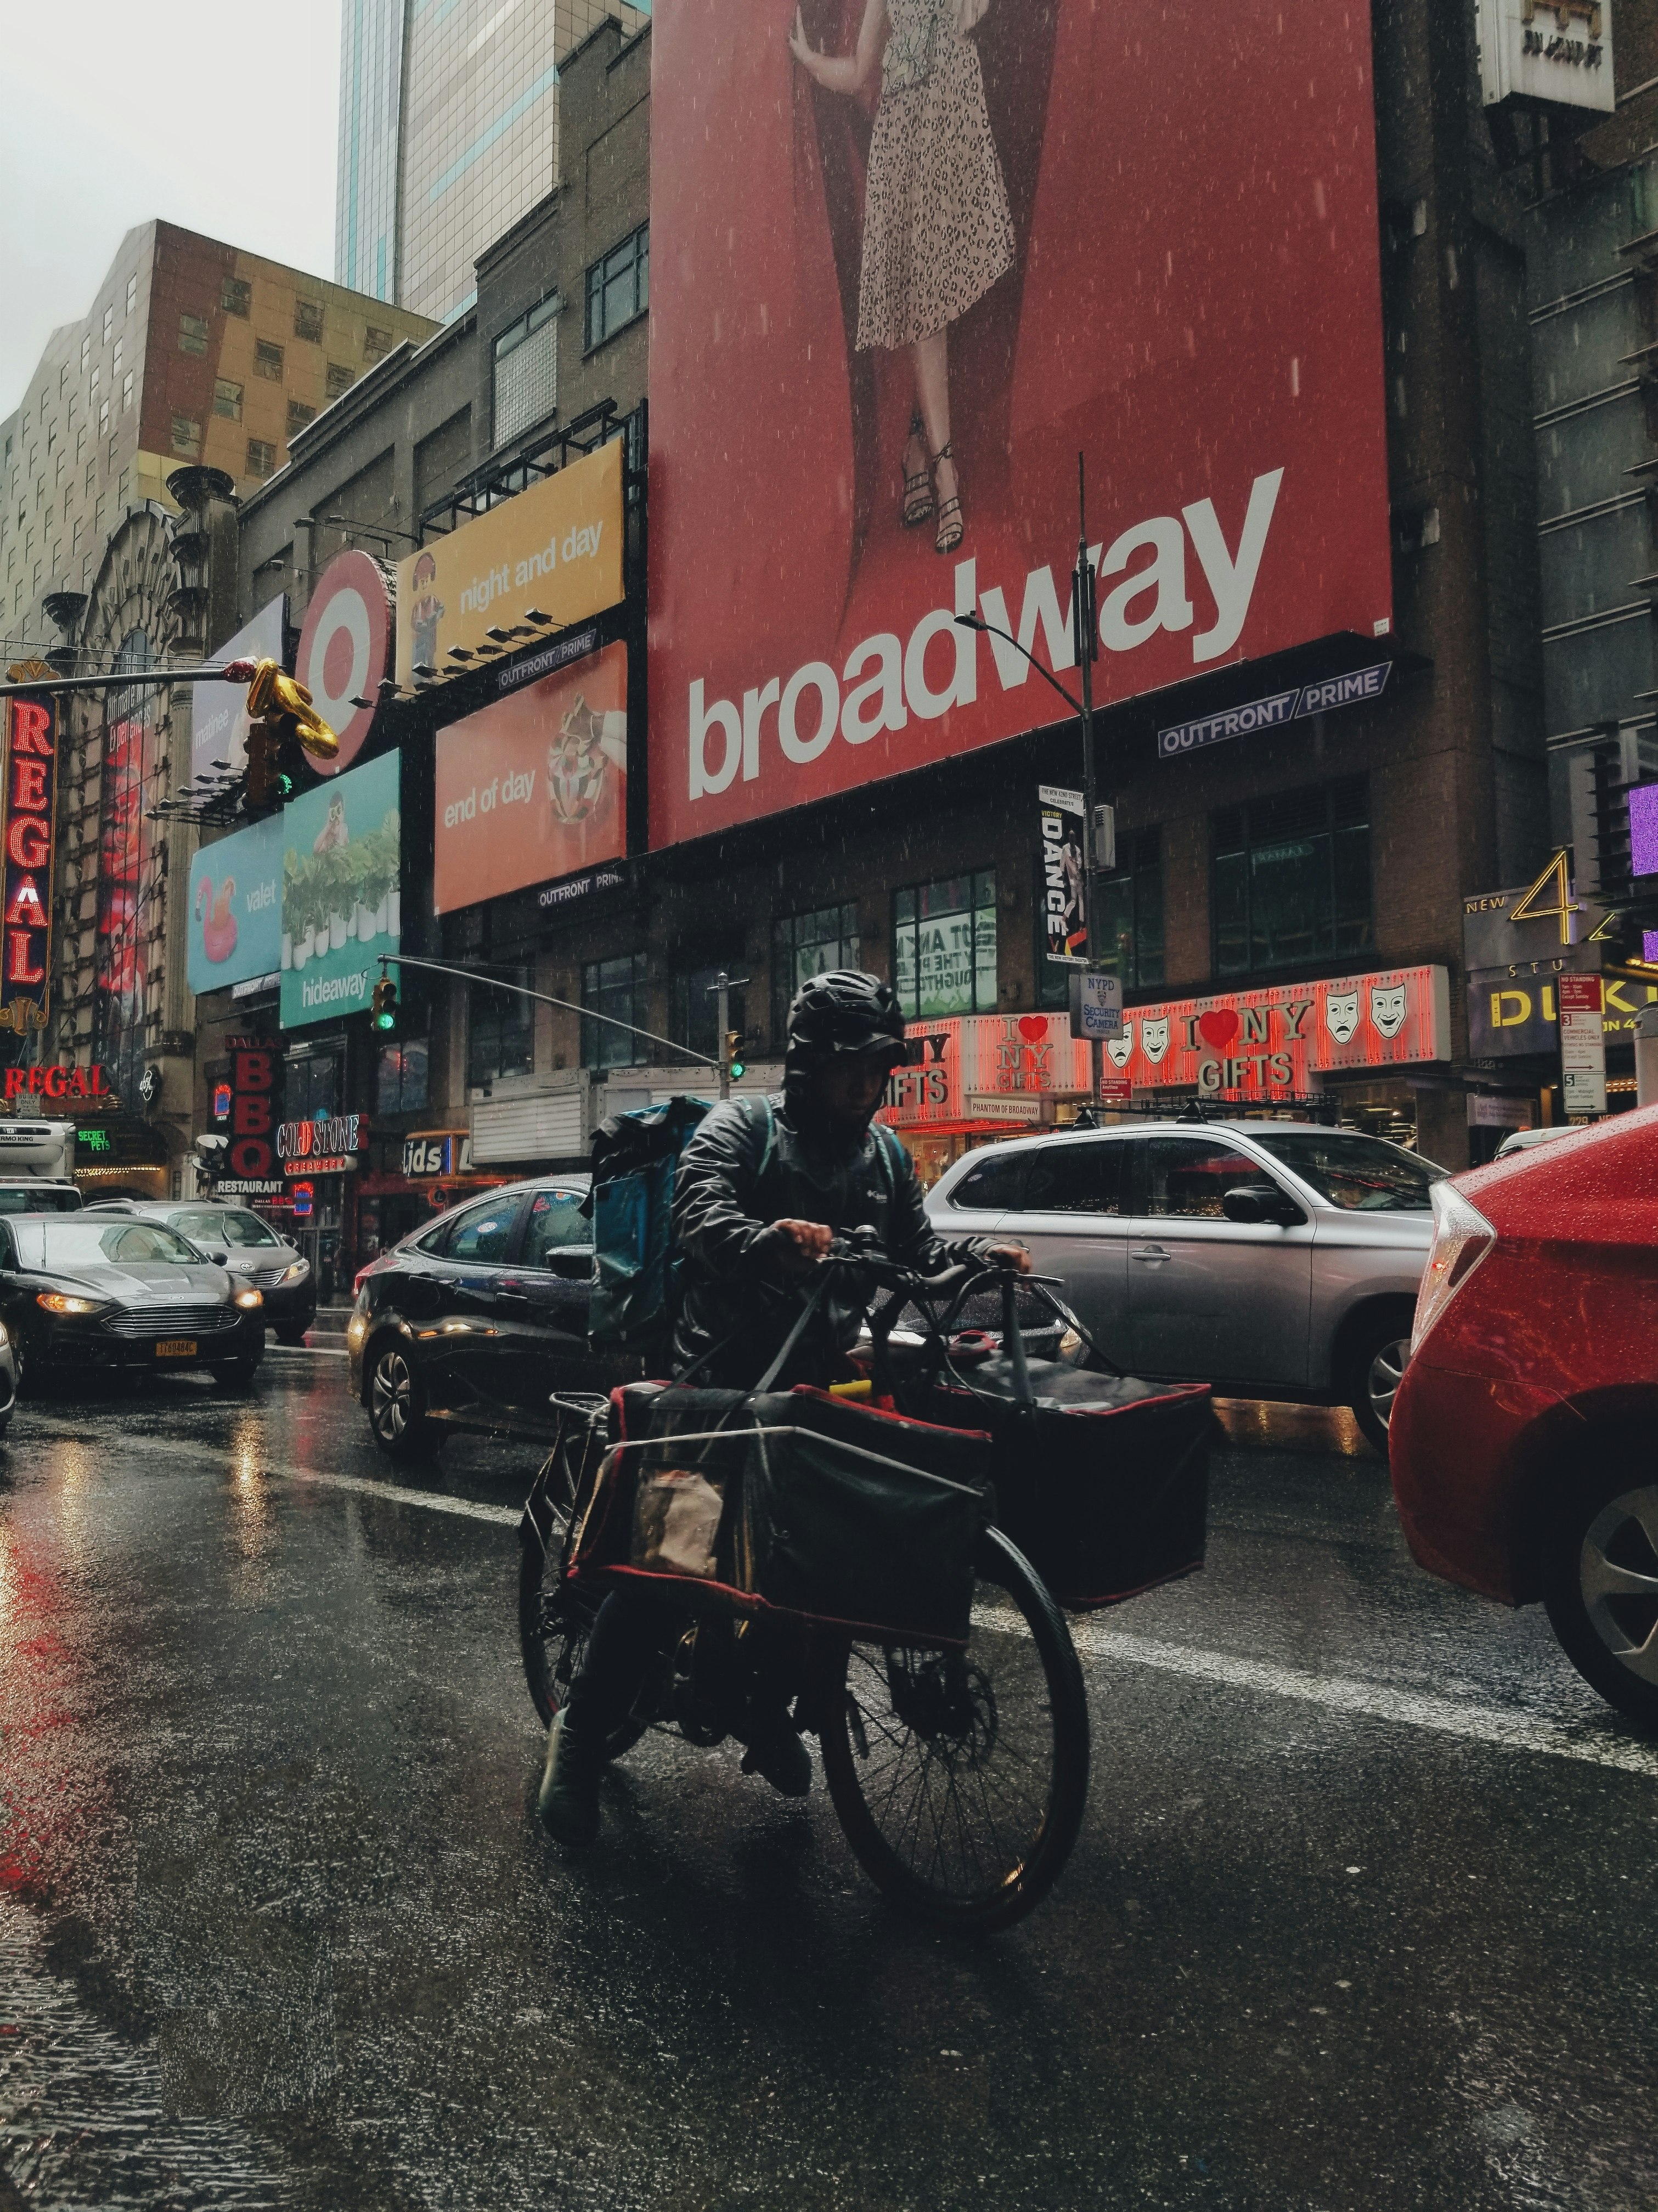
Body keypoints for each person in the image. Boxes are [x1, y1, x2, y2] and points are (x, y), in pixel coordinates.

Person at [539, 969, 1029, 1847]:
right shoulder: (742, 1129)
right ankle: (577, 1739)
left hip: (811, 1393)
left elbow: (918, 1253)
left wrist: (976, 1256)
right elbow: (700, 1217)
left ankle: (765, 1708)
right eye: (854, 1066)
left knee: (820, 1555)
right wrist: (766, 1240)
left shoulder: (881, 1155)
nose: (868, 1084)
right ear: (808, 1065)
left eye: (880, 1066)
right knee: (667, 1567)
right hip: (717, 1387)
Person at [789, 0, 1015, 557]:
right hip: (906, 137)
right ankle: (946, 478)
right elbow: (859, 71)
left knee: (940, 293)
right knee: (923, 309)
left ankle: (918, 442)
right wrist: (808, 58)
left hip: (953, 123)